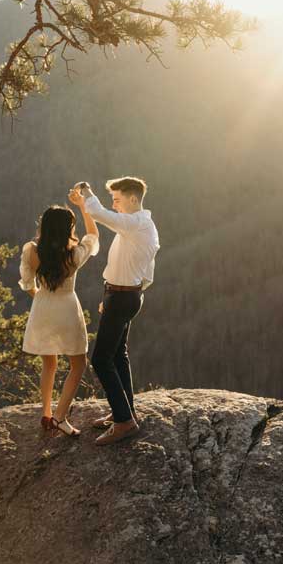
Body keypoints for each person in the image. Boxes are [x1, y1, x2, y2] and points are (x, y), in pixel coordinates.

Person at [74, 177, 160, 445]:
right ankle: (125, 411)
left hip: (123, 297)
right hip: (123, 295)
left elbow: (100, 214)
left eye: (118, 199)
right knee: (118, 355)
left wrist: (86, 193)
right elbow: (148, 271)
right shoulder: (142, 226)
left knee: (101, 360)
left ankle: (124, 421)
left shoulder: (136, 224)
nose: (115, 204)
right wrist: (114, 296)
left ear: (133, 199)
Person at [19, 198, 99, 436]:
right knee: (78, 364)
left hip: (42, 306)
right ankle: (60, 417)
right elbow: (93, 236)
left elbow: (26, 283)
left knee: (49, 363)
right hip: (67, 307)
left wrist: (41, 298)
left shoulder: (32, 250)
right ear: (67, 229)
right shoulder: (73, 254)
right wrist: (85, 208)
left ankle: (46, 413)